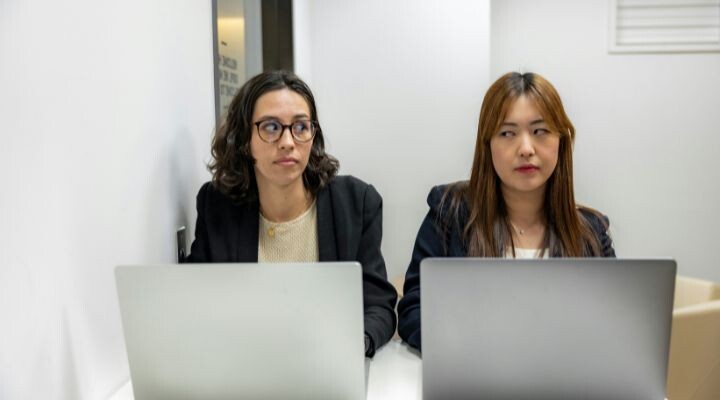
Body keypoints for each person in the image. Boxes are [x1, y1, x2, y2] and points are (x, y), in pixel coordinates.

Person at [397, 72, 616, 351]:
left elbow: (613, 325)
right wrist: (471, 348)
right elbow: (415, 311)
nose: (525, 149)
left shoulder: (591, 232)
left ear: (561, 141)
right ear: (487, 144)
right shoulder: (450, 212)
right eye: (507, 133)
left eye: (540, 131)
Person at [185, 70, 397, 357]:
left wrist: (354, 344)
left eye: (300, 127)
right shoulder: (217, 205)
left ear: (313, 135)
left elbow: (378, 306)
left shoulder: (356, 203)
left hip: (326, 368)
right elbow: (194, 302)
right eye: (271, 127)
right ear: (244, 140)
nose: (288, 141)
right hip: (243, 366)